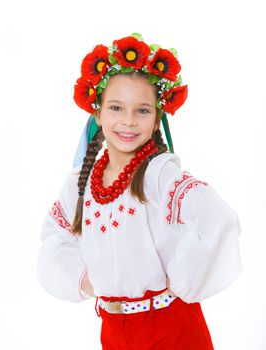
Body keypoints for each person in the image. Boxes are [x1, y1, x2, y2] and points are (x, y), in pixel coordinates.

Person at [37, 33, 243, 349]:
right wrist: (88, 279)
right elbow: (56, 233)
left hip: (170, 328)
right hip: (113, 329)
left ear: (157, 117)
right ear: (97, 113)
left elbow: (217, 219)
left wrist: (180, 281)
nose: (129, 122)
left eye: (142, 111)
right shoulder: (81, 181)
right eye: (116, 108)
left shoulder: (160, 174)